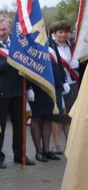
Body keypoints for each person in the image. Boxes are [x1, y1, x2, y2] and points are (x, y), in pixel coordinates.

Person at [0, 15, 35, 168]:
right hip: (0, 93)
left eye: (4, 29)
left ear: (9, 28)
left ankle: (20, 154)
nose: (1, 33)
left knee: (20, 126)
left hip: (19, 91)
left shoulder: (20, 44)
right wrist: (13, 58)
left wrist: (29, 87)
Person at [27, 30, 67, 162]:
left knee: (48, 117)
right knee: (37, 118)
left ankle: (46, 149)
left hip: (52, 85)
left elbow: (58, 62)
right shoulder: (28, 44)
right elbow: (26, 67)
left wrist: (63, 79)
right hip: (37, 87)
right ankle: (38, 151)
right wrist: (29, 88)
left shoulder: (50, 43)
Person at [50, 20, 79, 154]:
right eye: (60, 32)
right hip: (58, 85)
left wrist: (78, 64)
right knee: (58, 116)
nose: (63, 35)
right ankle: (56, 144)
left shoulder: (73, 46)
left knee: (70, 115)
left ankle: (70, 144)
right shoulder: (50, 47)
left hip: (72, 83)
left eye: (66, 32)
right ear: (54, 33)